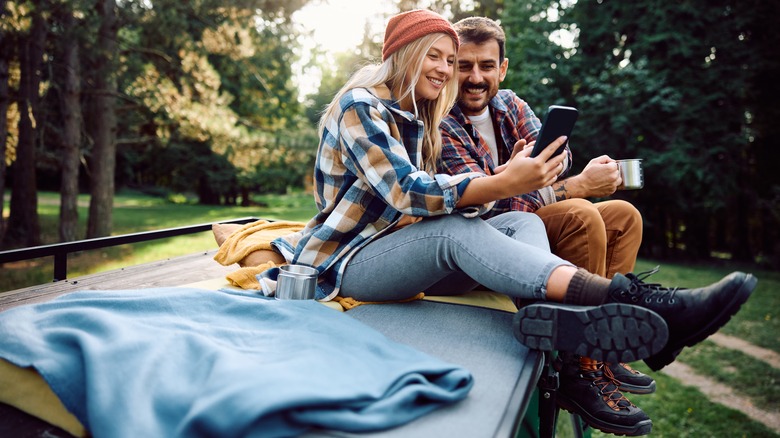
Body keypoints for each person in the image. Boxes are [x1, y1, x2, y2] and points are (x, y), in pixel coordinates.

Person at [261, 9, 756, 436]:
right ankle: (631, 300)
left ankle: (572, 328)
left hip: (405, 253)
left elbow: (462, 204)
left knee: (518, 227)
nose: (447, 70)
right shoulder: (360, 106)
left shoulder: (423, 118)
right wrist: (503, 185)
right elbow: (408, 193)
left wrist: (500, 178)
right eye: (436, 56)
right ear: (402, 54)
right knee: (455, 232)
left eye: (449, 61)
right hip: (349, 262)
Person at [434, 15, 659, 435]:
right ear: (451, 68)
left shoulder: (511, 105)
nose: (475, 77)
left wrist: (551, 177)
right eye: (464, 65)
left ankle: (604, 347)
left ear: (502, 68)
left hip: (528, 221)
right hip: (490, 240)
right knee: (582, 213)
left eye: (486, 65)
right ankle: (578, 364)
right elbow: (489, 205)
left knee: (625, 217)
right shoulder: (441, 122)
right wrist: (572, 186)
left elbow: (560, 157)